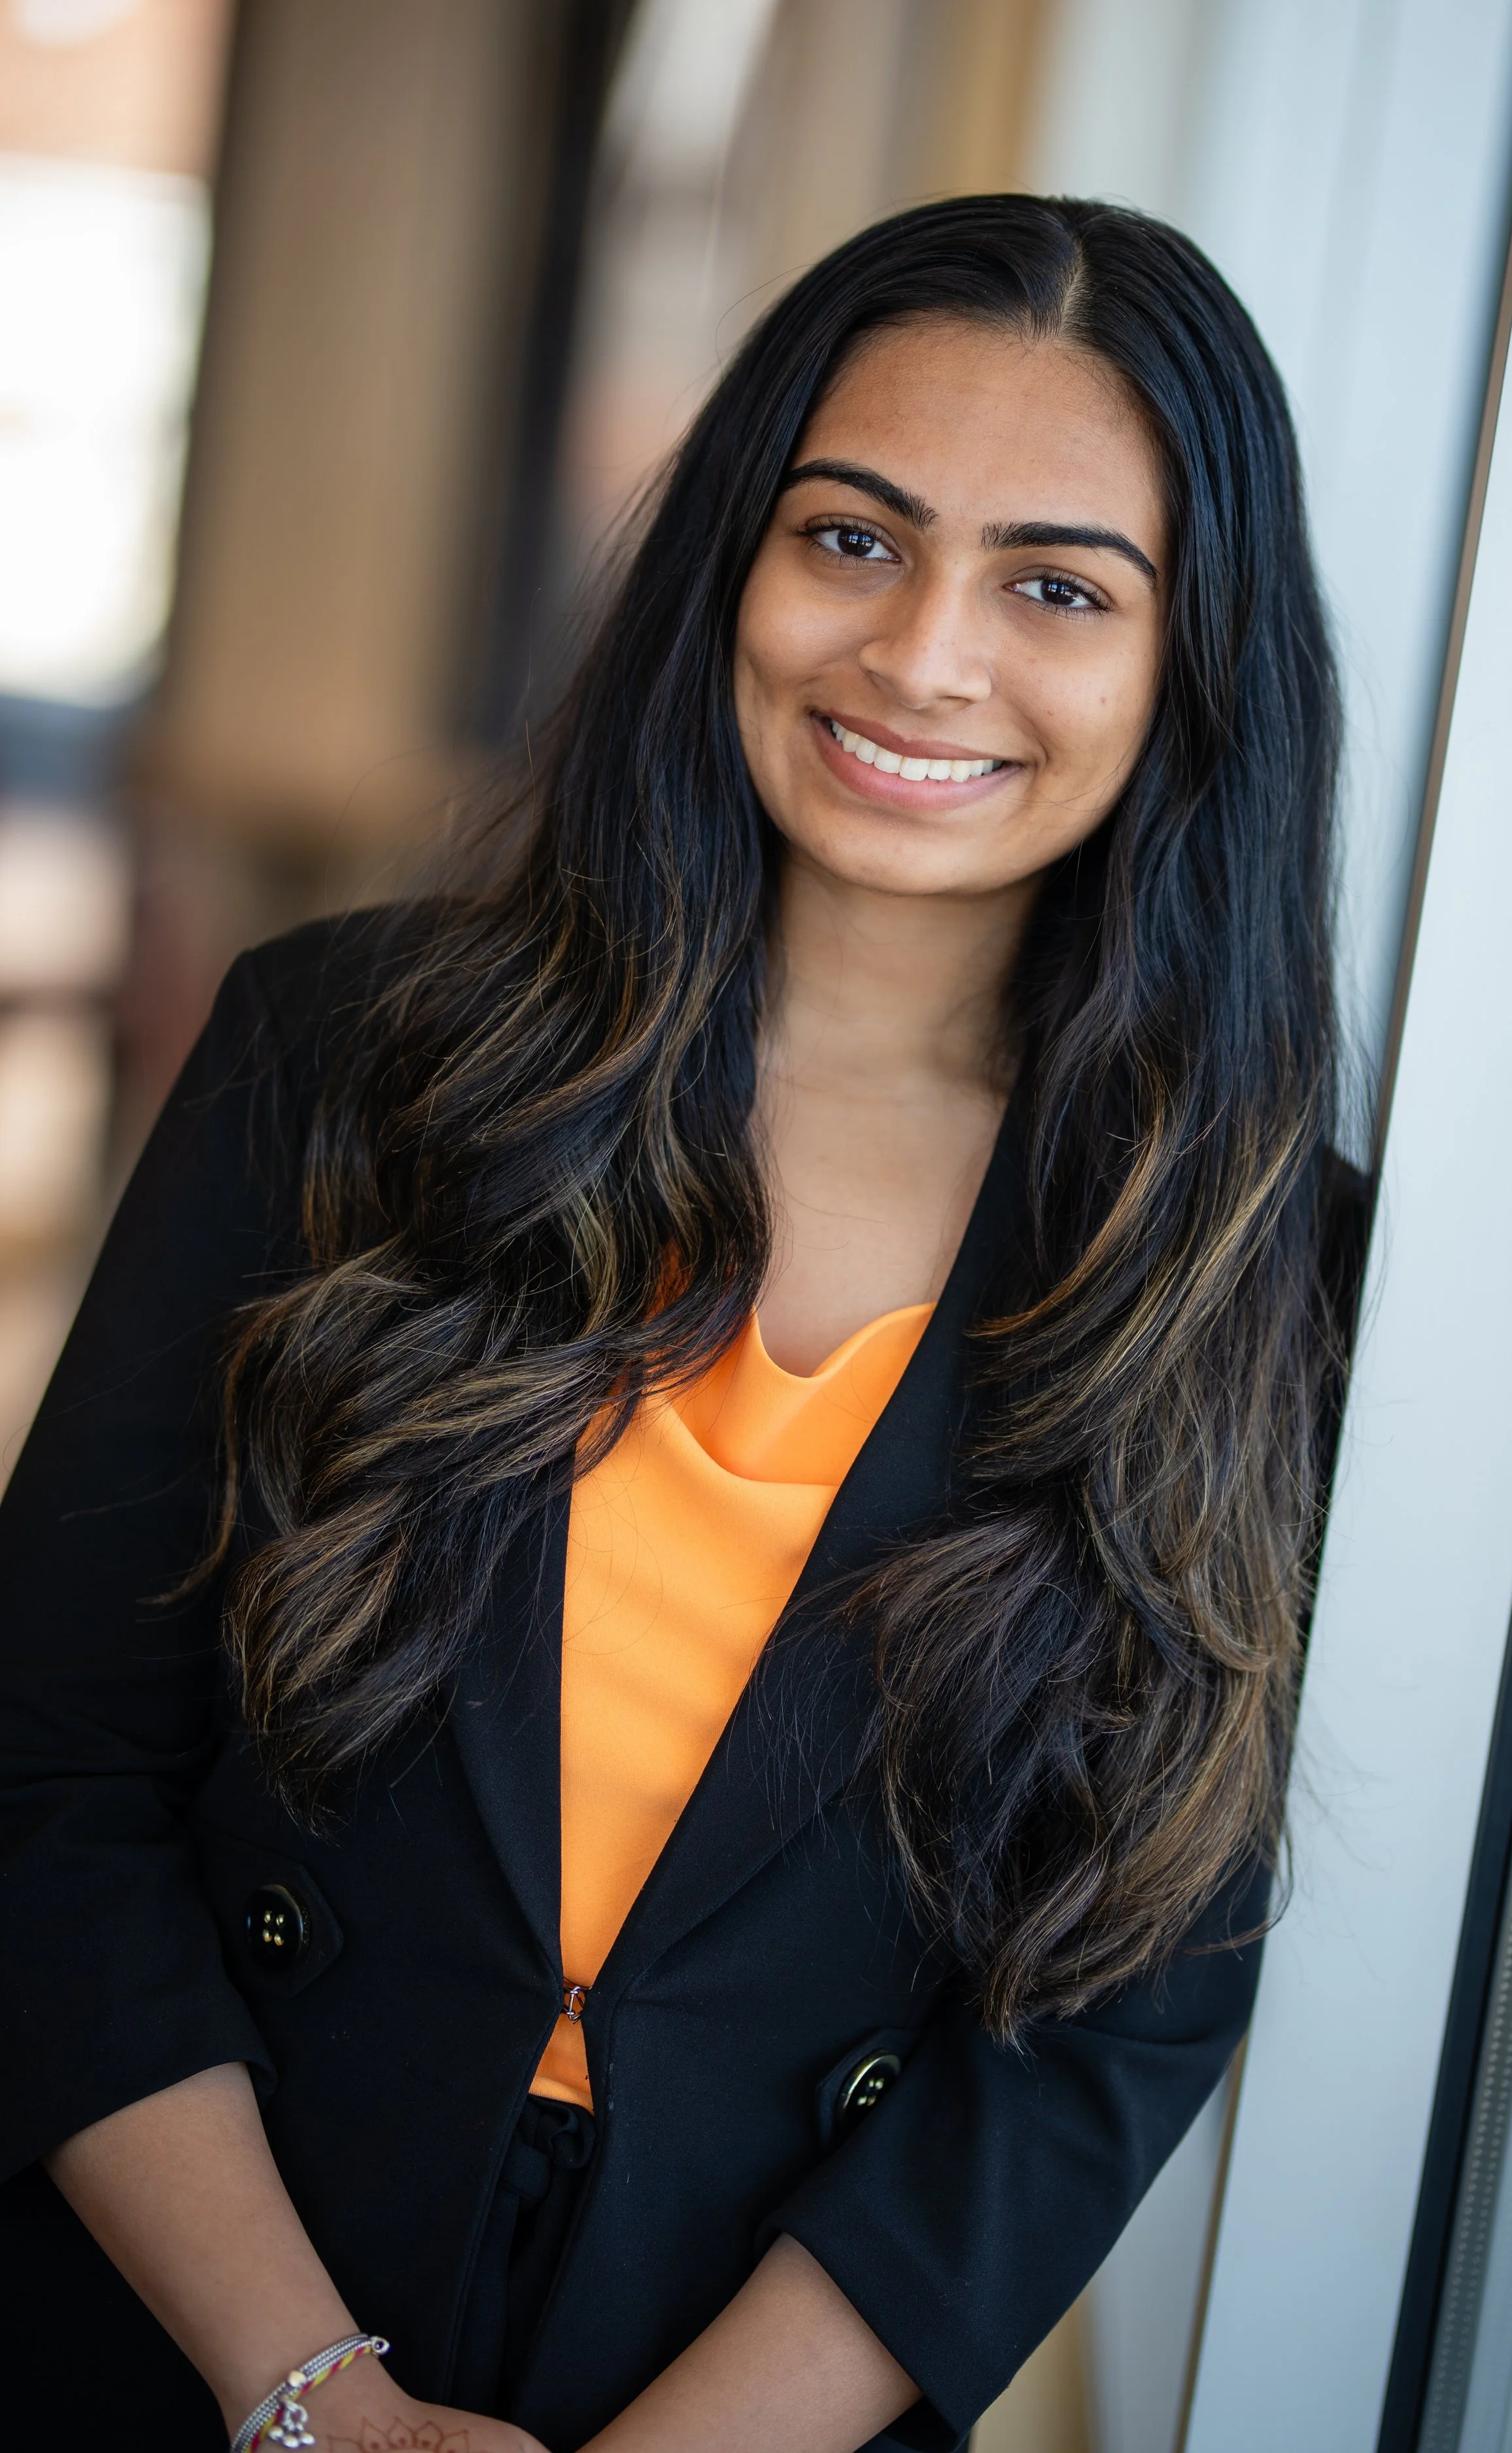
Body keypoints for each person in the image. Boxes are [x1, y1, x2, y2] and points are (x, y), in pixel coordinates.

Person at [0, 195, 1362, 2452]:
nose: (923, 659)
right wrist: (302, 2389)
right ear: (734, 554)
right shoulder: (338, 1061)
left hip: (741, 2361)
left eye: (1054, 587)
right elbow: (45, 1772)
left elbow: (1112, 2003)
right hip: (187, 2274)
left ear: (1191, 662)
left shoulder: (1253, 1267)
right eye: (852, 539)